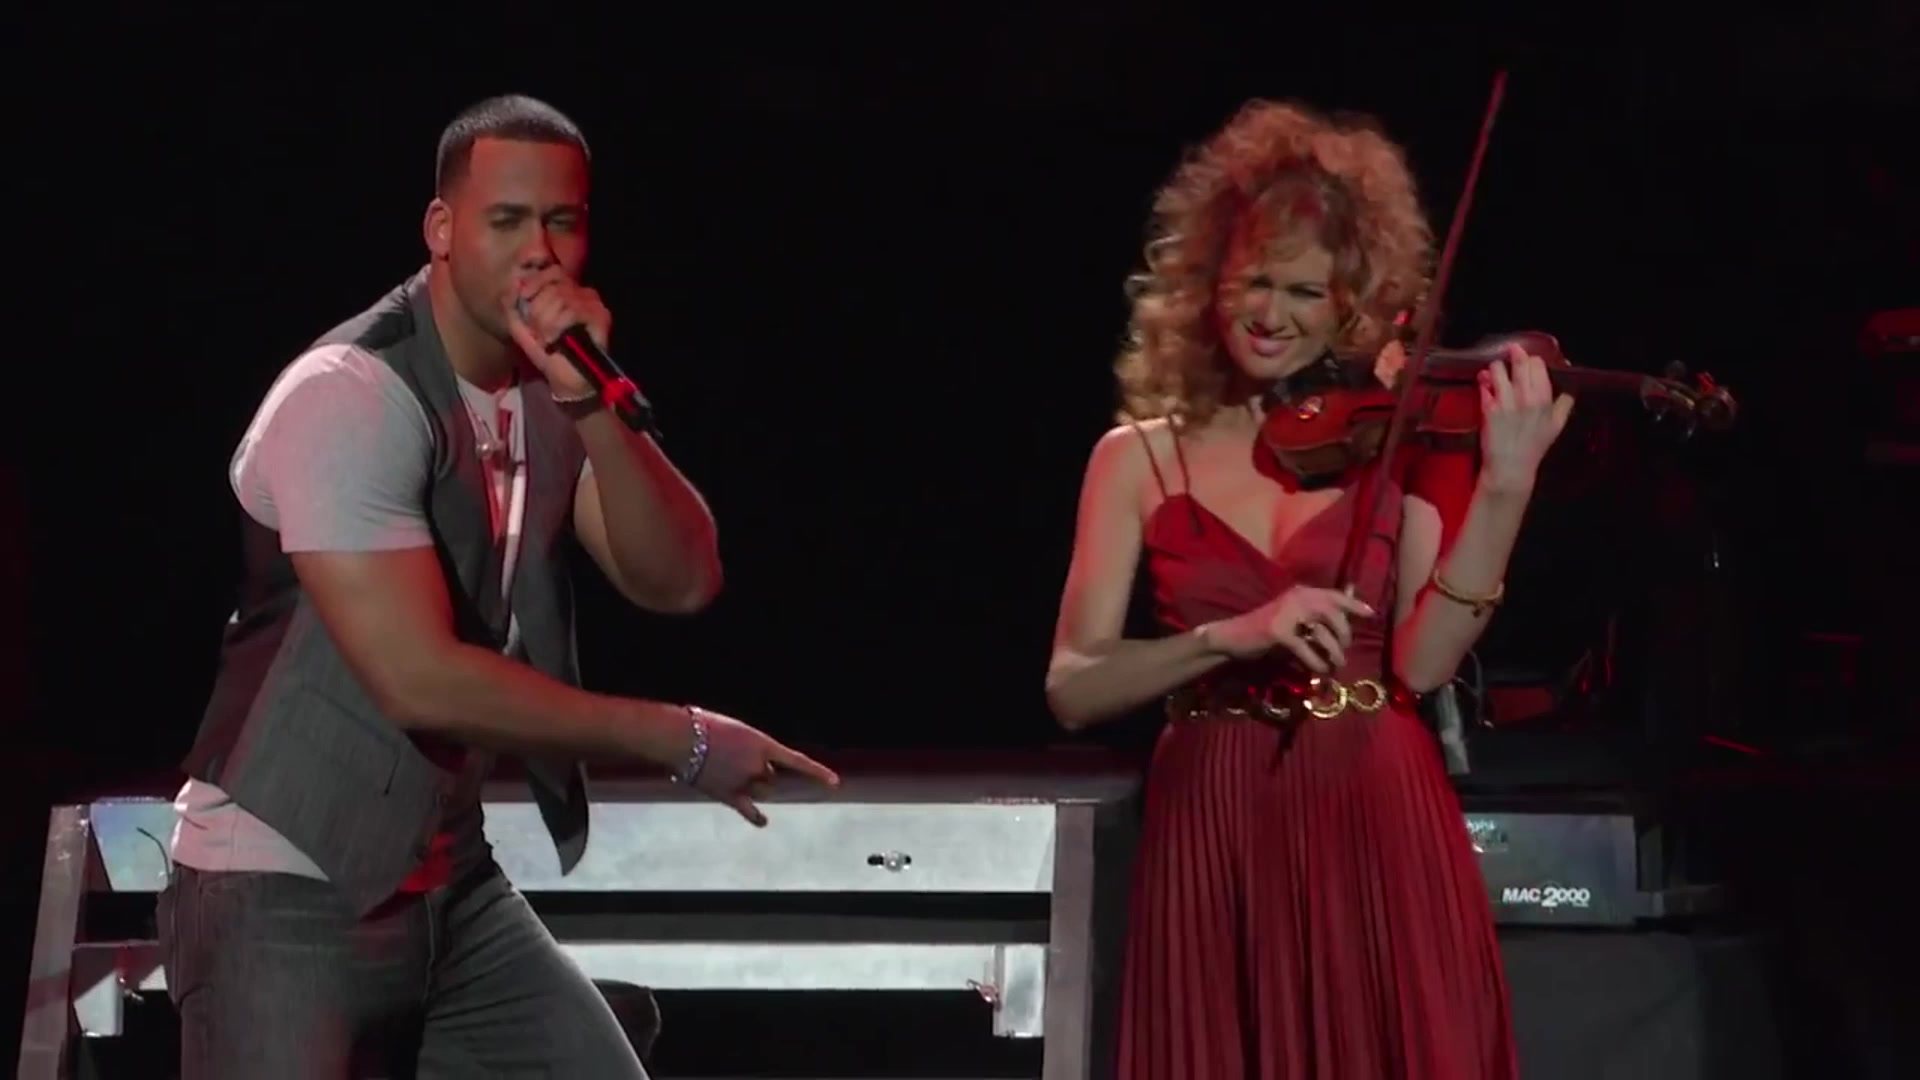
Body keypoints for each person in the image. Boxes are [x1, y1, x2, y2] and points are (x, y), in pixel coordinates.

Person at [158, 93, 837, 1078]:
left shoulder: (548, 391)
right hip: (285, 884)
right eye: (507, 221)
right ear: (441, 229)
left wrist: (591, 403)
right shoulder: (350, 393)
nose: (538, 254)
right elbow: (418, 680)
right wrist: (676, 739)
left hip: (447, 886)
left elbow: (682, 577)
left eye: (561, 222)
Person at [1046, 99, 1573, 1078]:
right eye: (1253, 280)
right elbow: (1075, 685)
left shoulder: (1393, 441)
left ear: (1348, 309)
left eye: (1304, 291)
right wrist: (1231, 635)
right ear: (1208, 280)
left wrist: (1504, 489)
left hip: (1375, 805)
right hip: (1213, 816)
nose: (1270, 314)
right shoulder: (1133, 459)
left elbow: (1425, 660)